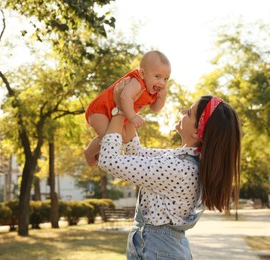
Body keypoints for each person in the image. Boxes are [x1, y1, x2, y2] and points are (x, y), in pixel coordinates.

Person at [98, 82, 242, 259]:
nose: (182, 113)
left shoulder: (180, 168)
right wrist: (128, 108)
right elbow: (138, 154)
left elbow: (109, 161)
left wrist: (119, 112)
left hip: (159, 251)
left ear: (198, 132)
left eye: (188, 113)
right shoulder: (181, 160)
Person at [84, 50, 171, 166]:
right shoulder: (137, 82)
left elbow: (154, 109)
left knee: (125, 139)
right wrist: (133, 117)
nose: (161, 82)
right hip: (101, 110)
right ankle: (89, 152)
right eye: (157, 76)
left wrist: (162, 98)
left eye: (166, 79)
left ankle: (99, 151)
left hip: (123, 113)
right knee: (109, 137)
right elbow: (125, 97)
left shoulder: (155, 90)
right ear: (143, 74)